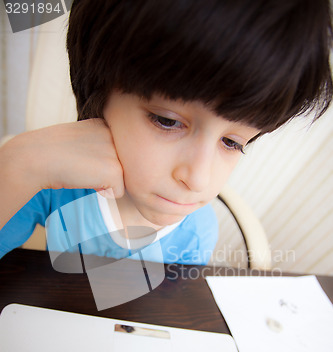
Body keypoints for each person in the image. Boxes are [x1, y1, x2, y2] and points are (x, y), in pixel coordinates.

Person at [0, 0, 332, 266]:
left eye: (232, 142)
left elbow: (154, 307)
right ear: (98, 96)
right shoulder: (56, 185)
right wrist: (17, 164)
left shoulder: (196, 232)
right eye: (167, 121)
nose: (197, 179)